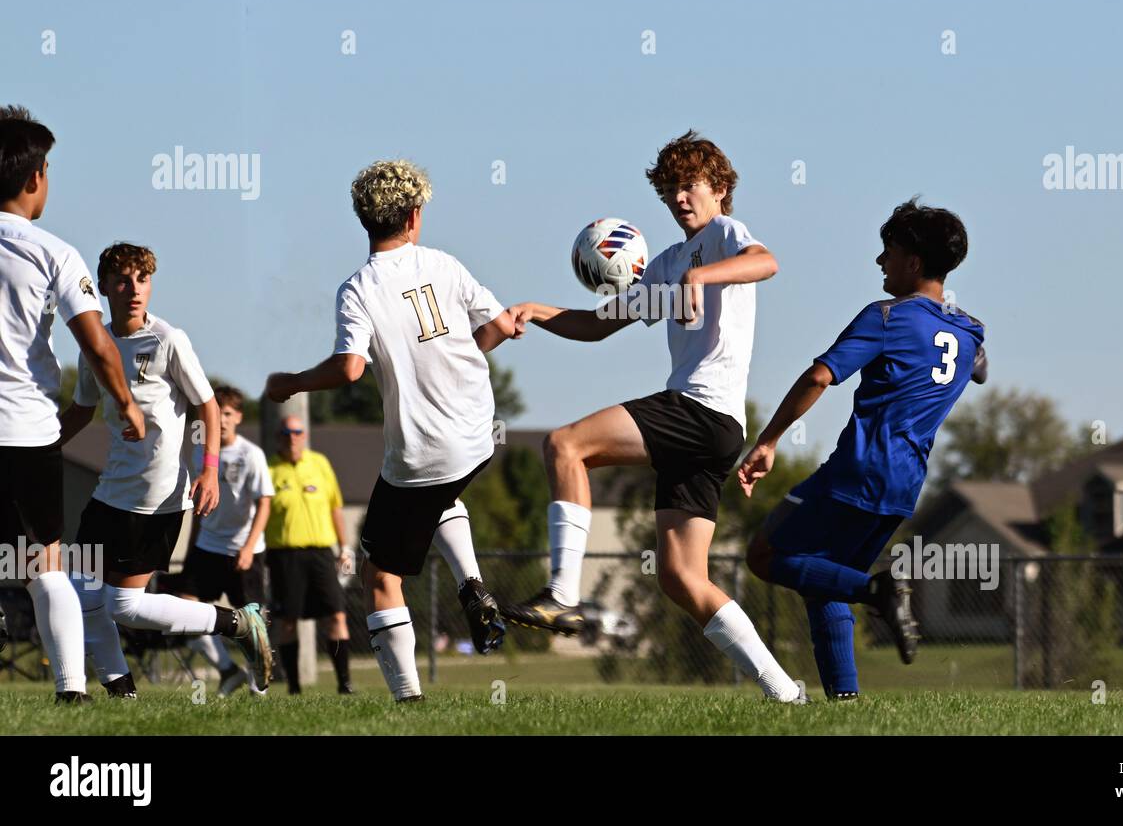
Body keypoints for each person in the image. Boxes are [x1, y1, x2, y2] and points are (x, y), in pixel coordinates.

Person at [504, 130, 804, 703]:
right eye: (669, 191)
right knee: (679, 575)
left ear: (718, 189)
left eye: (688, 186)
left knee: (565, 445)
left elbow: (766, 262)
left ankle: (563, 594)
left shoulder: (722, 235)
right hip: (715, 430)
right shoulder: (667, 262)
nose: (679, 199)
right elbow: (599, 324)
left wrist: (702, 277)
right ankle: (784, 692)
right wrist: (537, 311)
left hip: (699, 407)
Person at [266, 158, 517, 702]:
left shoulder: (358, 288)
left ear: (364, 218)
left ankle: (409, 701)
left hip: (419, 454)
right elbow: (498, 328)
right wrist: (458, 365)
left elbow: (350, 368)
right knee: (443, 494)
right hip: (479, 436)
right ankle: (472, 585)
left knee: (382, 577)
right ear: (413, 215)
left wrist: (292, 382)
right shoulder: (445, 265)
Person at [738, 199, 987, 700]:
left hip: (858, 469)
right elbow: (979, 368)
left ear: (913, 262)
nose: (880, 262)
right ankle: (844, 704)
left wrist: (768, 440)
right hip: (906, 483)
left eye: (888, 252)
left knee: (764, 556)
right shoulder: (970, 330)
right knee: (823, 578)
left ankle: (877, 591)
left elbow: (819, 375)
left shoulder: (887, 317)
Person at [59, 242, 273, 697]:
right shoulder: (94, 344)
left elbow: (207, 405)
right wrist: (40, 446)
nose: (134, 289)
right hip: (109, 489)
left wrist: (209, 469)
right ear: (102, 287)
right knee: (83, 596)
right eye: (122, 279)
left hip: (155, 494)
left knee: (123, 604)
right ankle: (122, 695)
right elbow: (81, 410)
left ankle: (235, 622)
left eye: (143, 278)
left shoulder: (167, 339)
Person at [0, 105, 144, 703]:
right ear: (35, 178)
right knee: (43, 567)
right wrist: (126, 403)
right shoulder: (52, 252)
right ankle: (70, 692)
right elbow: (97, 342)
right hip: (27, 431)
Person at [175, 385, 274, 696]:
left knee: (253, 625)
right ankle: (228, 671)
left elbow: (265, 503)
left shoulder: (251, 454)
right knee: (185, 615)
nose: (222, 419)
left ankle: (260, 688)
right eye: (216, 413)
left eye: (228, 413)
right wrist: (191, 545)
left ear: (239, 417)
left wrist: (248, 547)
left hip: (244, 550)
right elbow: (199, 505)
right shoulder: (199, 451)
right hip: (207, 546)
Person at [264, 416, 354, 695]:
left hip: (321, 554)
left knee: (337, 616)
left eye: (297, 432)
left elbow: (335, 507)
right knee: (288, 621)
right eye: (286, 432)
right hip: (284, 555)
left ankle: (344, 684)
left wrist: (345, 547)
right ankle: (293, 687)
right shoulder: (268, 468)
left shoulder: (320, 463)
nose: (292, 437)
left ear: (304, 435)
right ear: (278, 437)